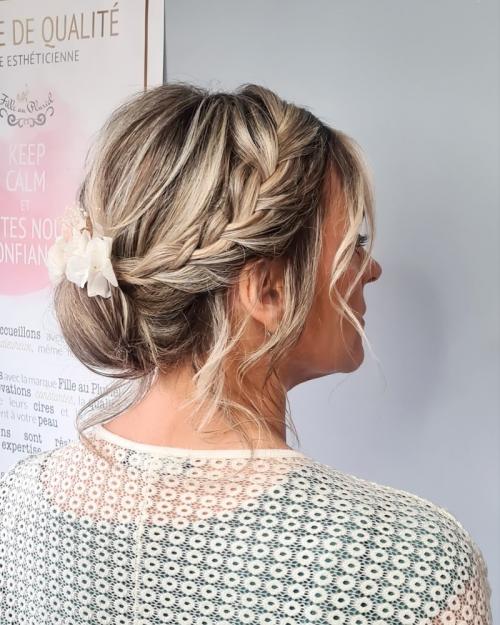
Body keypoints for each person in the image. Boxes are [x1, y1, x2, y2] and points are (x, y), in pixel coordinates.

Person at [0, 82, 492, 624]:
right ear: (269, 290)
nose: (371, 268)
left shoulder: (15, 505)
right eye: (353, 242)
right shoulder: (410, 571)